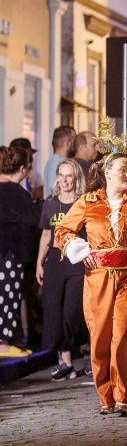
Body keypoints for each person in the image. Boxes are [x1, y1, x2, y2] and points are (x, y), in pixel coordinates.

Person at [55, 121, 127, 415]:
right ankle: (104, 396)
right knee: (100, 337)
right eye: (123, 170)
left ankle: (123, 396)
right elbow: (63, 231)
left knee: (122, 335)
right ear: (107, 173)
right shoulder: (88, 201)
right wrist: (79, 250)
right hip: (98, 279)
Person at [35, 159, 88, 380]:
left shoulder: (83, 203)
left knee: (72, 311)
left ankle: (86, 353)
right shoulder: (50, 203)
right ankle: (65, 362)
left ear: (76, 178)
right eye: (61, 175)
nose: (64, 180)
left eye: (69, 176)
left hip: (76, 260)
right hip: (55, 260)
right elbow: (46, 235)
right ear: (57, 177)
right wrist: (40, 262)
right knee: (55, 311)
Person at [0, 145, 40, 358]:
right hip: (9, 253)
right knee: (8, 295)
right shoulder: (17, 192)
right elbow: (34, 219)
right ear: (23, 169)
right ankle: (3, 342)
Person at [42, 126, 77, 197]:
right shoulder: (62, 165)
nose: (76, 145)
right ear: (68, 143)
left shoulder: (50, 163)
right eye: (75, 142)